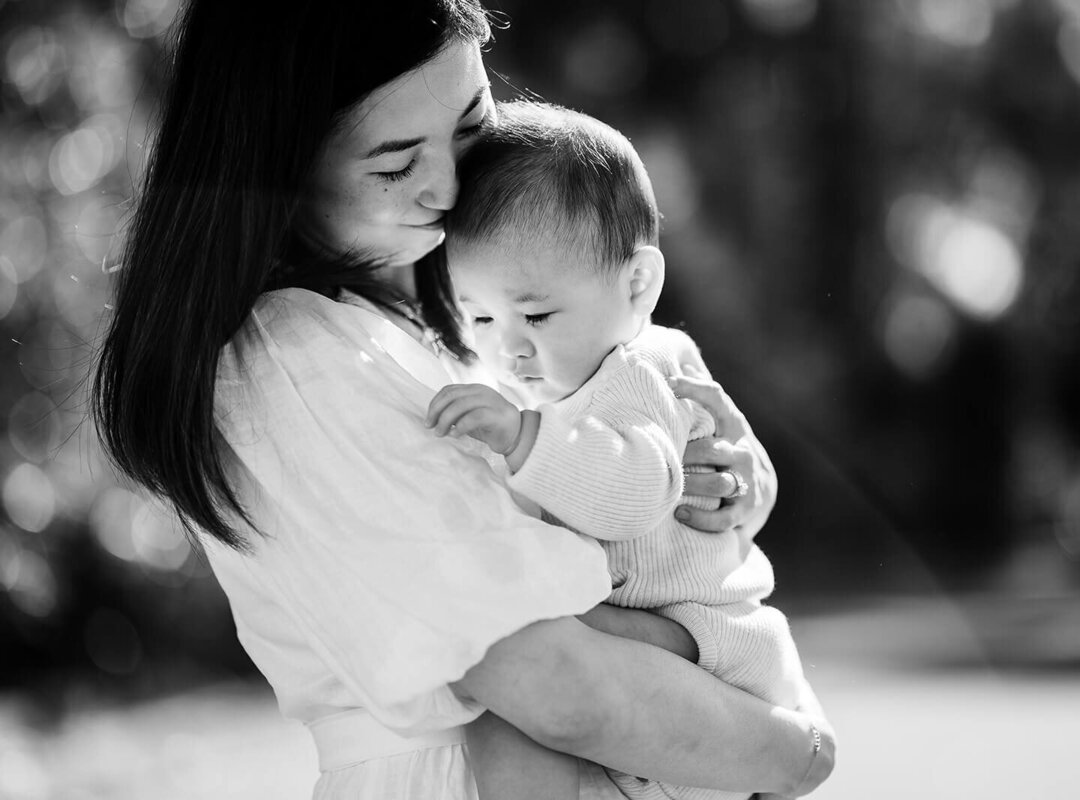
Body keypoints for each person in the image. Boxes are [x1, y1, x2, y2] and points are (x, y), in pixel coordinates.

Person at [91, 1, 834, 797]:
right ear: (280, 172)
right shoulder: (296, 360)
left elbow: (597, 565)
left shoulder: (445, 335)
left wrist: (712, 496)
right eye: (394, 165)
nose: (447, 191)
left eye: (472, 131)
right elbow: (555, 678)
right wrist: (793, 746)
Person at [425, 101, 822, 800]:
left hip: (705, 644)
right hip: (645, 656)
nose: (507, 345)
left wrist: (522, 441)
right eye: (480, 315)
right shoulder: (534, 381)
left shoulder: (635, 373)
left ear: (636, 284)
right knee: (502, 718)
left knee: (512, 701)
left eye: (537, 314)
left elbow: (639, 493)